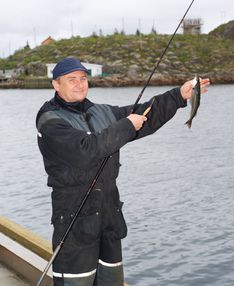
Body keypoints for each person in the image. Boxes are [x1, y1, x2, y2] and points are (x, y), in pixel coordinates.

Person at [36, 57, 209, 286]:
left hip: (109, 218)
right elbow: (86, 150)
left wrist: (179, 96)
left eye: (83, 78)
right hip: (74, 223)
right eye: (71, 80)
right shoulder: (50, 120)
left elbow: (143, 114)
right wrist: (127, 125)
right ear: (56, 85)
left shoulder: (102, 112)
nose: (79, 84)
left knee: (111, 281)